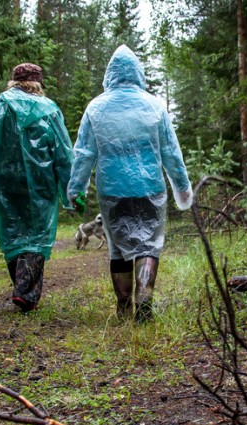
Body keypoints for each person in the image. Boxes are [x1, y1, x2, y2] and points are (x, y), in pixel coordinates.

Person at [67, 45, 193, 322]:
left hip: (112, 190)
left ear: (109, 74)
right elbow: (171, 152)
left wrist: (75, 190)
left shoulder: (95, 108)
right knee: (149, 246)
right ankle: (144, 299)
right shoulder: (155, 106)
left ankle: (124, 306)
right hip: (150, 189)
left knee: (117, 248)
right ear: (139, 74)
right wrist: (182, 187)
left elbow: (84, 154)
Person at [0, 63, 73, 312]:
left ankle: (22, 288)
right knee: (37, 235)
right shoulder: (48, 109)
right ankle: (25, 292)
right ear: (37, 83)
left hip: (5, 184)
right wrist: (71, 188)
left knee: (12, 233)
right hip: (40, 185)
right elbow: (63, 152)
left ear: (13, 82)